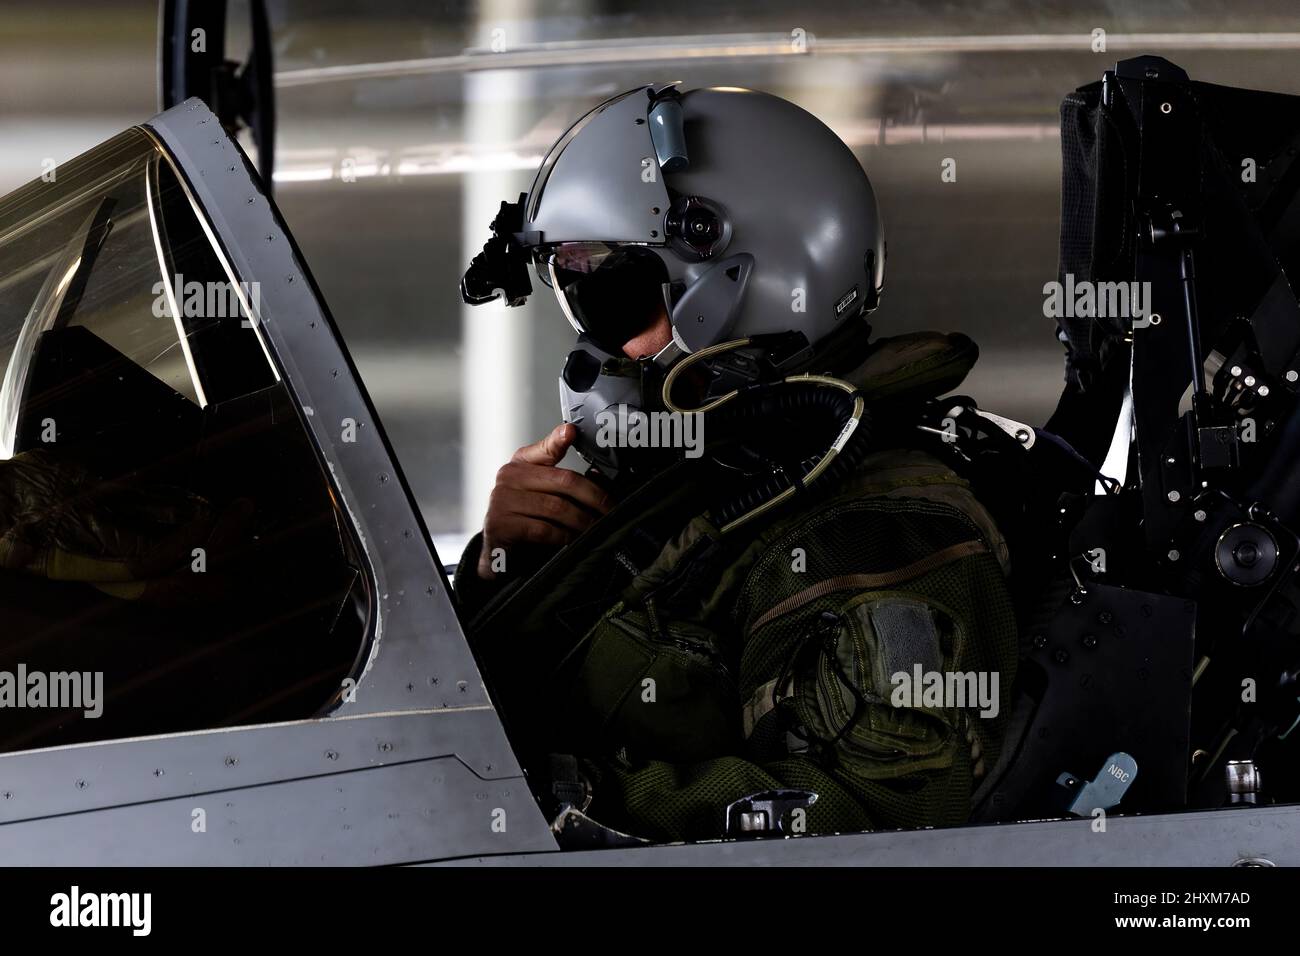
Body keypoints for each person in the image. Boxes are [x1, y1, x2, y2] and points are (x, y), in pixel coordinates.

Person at [456, 84, 1018, 843]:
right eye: (575, 294)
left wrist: (562, 803)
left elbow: (876, 823)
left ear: (739, 284)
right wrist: (500, 563)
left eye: (613, 299)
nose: (598, 352)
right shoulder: (708, 478)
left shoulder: (874, 533)